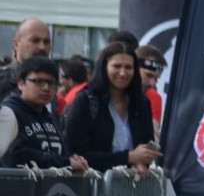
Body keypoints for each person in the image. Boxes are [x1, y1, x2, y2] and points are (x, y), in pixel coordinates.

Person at [61, 42, 161, 176]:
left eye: (128, 67)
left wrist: (142, 161)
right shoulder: (85, 101)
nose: (123, 73)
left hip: (133, 189)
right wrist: (128, 157)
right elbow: (77, 155)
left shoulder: (142, 104)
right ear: (104, 67)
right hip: (93, 188)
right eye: (117, 66)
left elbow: (146, 147)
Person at [0, 56, 87, 172]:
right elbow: (14, 155)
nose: (46, 88)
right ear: (21, 84)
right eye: (38, 82)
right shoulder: (9, 114)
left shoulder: (50, 118)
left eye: (51, 83)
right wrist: (66, 162)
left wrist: (73, 159)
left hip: (51, 188)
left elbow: (62, 154)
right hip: (16, 188)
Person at [0, 18, 52, 101]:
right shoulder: (3, 79)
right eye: (35, 41)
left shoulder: (50, 83)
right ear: (16, 44)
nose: (42, 47)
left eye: (46, 42)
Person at [135, 44, 167, 135]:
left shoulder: (149, 99)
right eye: (148, 75)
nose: (152, 83)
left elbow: (153, 140)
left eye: (156, 80)